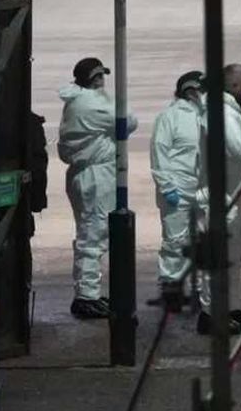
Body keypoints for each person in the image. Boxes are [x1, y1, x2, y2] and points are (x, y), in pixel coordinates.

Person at [57, 57, 138, 319]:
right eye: (99, 77)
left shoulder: (77, 100)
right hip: (95, 175)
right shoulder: (91, 103)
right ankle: (86, 297)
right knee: (93, 234)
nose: (103, 81)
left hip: (87, 174)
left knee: (90, 232)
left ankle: (88, 291)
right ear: (92, 80)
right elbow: (129, 121)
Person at [196, 64, 241, 335]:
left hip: (234, 199)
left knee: (233, 259)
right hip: (220, 201)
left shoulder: (233, 111)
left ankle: (234, 307)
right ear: (234, 87)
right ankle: (210, 313)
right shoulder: (222, 114)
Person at [149, 70, 206, 305]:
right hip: (177, 188)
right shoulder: (170, 117)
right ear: (191, 91)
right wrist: (166, 186)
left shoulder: (205, 116)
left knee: (200, 239)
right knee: (175, 241)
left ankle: (198, 286)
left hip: (201, 189)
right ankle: (171, 287)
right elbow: (159, 153)